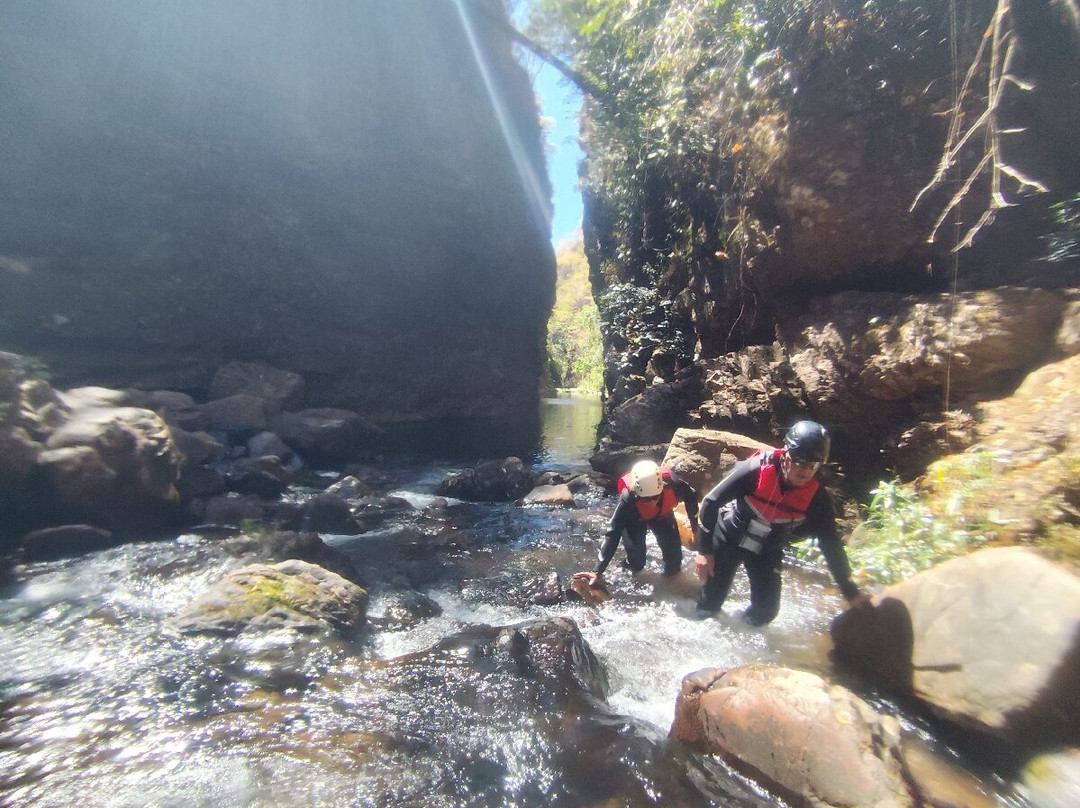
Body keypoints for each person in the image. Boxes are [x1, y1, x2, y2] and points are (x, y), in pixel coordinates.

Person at [694, 421, 867, 625]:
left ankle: (738, 635)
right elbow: (711, 502)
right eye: (800, 462)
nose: (805, 471)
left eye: (813, 465)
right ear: (786, 455)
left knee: (766, 611)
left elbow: (830, 542)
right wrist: (705, 552)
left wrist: (849, 590)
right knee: (710, 605)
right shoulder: (755, 470)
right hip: (729, 538)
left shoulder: (816, 497)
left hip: (767, 550)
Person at [573, 459, 700, 586]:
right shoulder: (628, 497)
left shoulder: (675, 484)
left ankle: (671, 589)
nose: (651, 503)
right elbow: (614, 531)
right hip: (635, 519)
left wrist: (695, 529)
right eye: (645, 499)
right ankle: (624, 575)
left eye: (655, 497)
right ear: (636, 492)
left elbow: (692, 498)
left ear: (662, 486)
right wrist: (597, 571)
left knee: (674, 562)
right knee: (637, 563)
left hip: (662, 516)